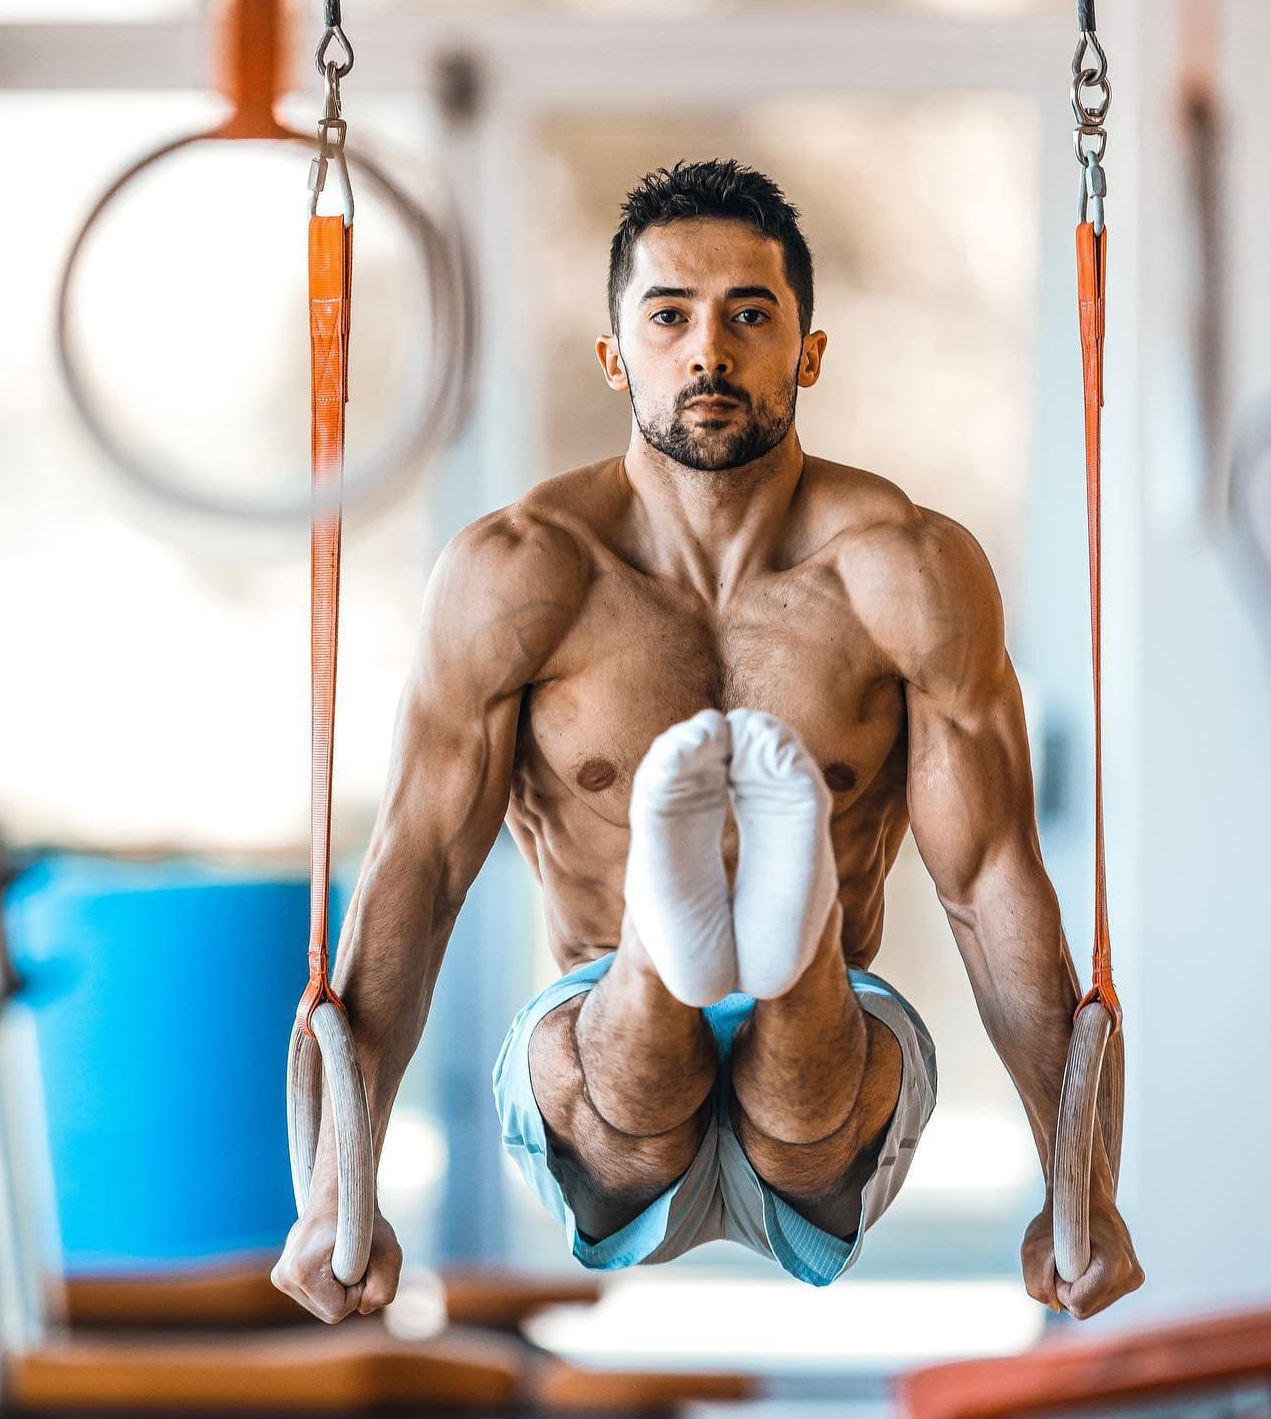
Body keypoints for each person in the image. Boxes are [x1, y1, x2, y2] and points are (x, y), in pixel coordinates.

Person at [272, 157, 1143, 1325]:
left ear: (810, 352)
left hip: (834, 1053)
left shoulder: (907, 570)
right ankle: (674, 947)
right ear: (614, 354)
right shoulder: (521, 574)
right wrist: (338, 1182)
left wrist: (1080, 1186)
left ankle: (773, 945)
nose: (708, 351)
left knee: (804, 1110)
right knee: (629, 1092)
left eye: (751, 314)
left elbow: (992, 883)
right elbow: (416, 875)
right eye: (669, 316)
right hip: (598, 1041)